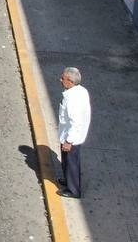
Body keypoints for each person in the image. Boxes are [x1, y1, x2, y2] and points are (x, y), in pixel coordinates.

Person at [56, 66, 91, 199]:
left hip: (71, 137)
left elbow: (76, 122)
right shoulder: (81, 91)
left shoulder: (72, 99)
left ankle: (73, 190)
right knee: (67, 160)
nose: (60, 80)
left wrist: (69, 140)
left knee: (71, 162)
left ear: (70, 81)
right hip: (69, 134)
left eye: (63, 78)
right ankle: (68, 180)